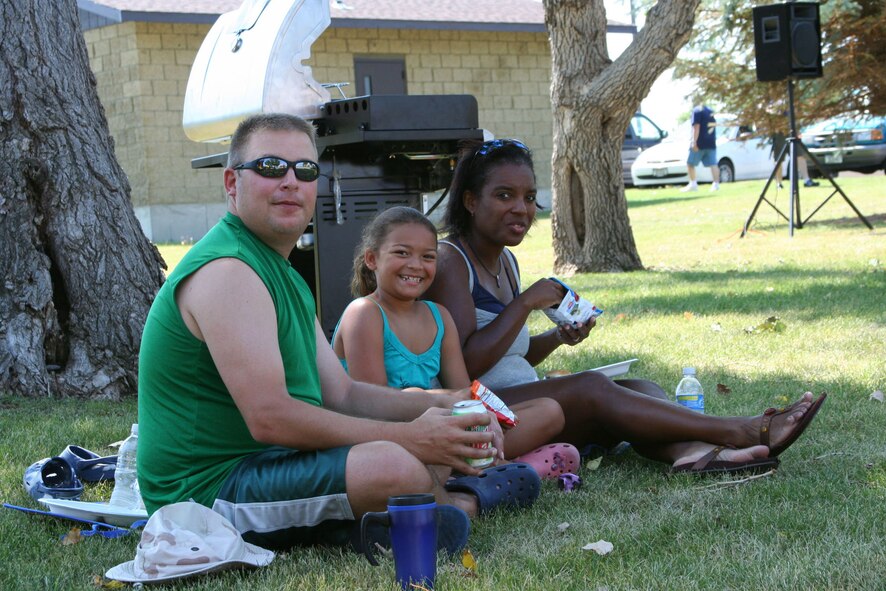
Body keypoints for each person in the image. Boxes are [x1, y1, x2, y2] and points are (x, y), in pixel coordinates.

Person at [136, 114, 532, 553]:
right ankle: (460, 504)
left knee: (418, 448)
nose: (291, 181)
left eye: (305, 170)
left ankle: (378, 517)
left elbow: (342, 394)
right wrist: (410, 437)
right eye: (270, 167)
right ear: (232, 182)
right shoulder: (229, 271)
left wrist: (448, 402)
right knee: (393, 464)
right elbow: (270, 418)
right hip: (204, 494)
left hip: (273, 463)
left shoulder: (279, 273)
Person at [424, 137, 827, 475]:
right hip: (488, 413)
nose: (522, 209)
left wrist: (557, 338)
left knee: (640, 388)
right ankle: (739, 430)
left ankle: (690, 453)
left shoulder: (505, 261)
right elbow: (465, 366)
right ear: (471, 201)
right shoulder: (450, 261)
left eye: (529, 197)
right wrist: (527, 302)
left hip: (524, 398)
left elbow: (513, 352)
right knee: (593, 388)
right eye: (504, 195)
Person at [332, 205, 580, 478]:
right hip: (387, 440)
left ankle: (484, 466)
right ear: (371, 259)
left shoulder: (439, 317)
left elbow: (464, 393)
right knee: (425, 458)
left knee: (548, 411)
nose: (415, 265)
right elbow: (374, 408)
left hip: (439, 429)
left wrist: (484, 420)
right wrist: (450, 413)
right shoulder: (364, 314)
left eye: (427, 256)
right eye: (402, 253)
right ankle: (500, 468)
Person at [681, 104, 720, 192]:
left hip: (699, 142)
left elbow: (696, 127)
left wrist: (694, 142)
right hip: (711, 141)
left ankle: (693, 184)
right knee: (713, 164)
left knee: (690, 164)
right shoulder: (710, 110)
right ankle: (716, 184)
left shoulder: (696, 111)